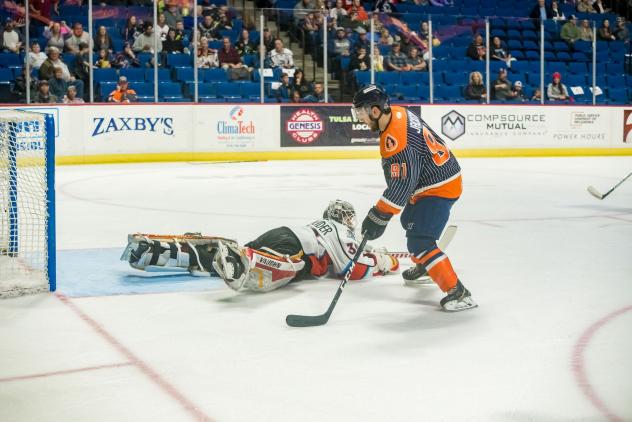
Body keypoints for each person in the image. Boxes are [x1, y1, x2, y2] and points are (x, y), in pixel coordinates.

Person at [351, 85, 476, 312]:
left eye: (362, 112)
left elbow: (402, 186)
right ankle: (426, 265)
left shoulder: (396, 139)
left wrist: (378, 215)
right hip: (435, 177)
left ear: (376, 111)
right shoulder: (398, 112)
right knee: (409, 218)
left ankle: (458, 292)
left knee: (420, 240)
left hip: (439, 187)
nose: (360, 118)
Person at [122, 200, 400, 293]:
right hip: (295, 247)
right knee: (294, 266)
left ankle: (169, 251)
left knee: (227, 261)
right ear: (342, 218)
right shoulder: (340, 230)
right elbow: (352, 269)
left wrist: (369, 252)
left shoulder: (322, 224)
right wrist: (386, 263)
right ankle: (247, 258)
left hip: (281, 234)